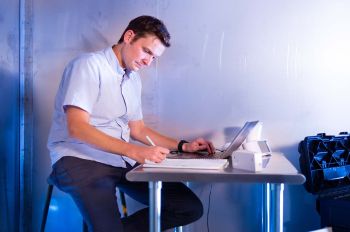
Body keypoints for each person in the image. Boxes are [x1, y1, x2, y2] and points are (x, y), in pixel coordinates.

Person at [47, 15, 215, 232]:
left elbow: (138, 129)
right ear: (129, 36)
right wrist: (134, 152)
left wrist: (184, 146)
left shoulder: (132, 79)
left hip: (118, 160)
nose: (148, 61)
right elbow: (77, 128)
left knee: (189, 207)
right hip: (78, 159)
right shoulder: (88, 65)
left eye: (154, 57)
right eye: (147, 51)